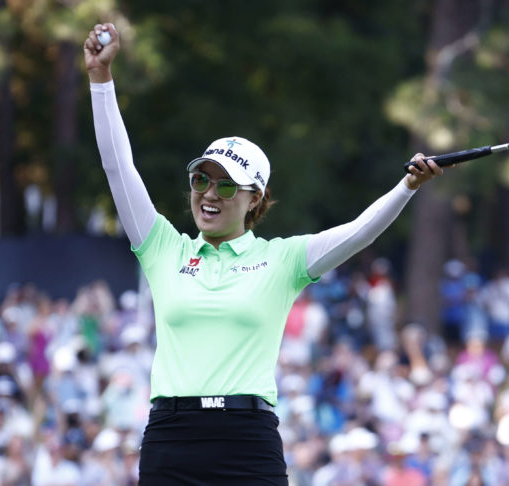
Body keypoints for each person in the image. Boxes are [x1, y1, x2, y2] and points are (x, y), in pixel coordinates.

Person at [83, 23, 447, 485]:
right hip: (171, 439)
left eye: (227, 184)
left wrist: (407, 186)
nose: (209, 194)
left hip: (247, 441)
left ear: (255, 198)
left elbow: (358, 233)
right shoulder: (162, 247)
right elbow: (118, 168)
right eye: (202, 180)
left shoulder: (282, 260)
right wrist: (101, 80)